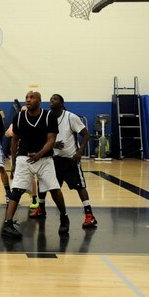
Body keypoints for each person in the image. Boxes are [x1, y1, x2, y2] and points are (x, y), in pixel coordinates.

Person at [1, 91, 69, 239]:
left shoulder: (48, 116)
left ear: (39, 101)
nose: (28, 100)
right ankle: (7, 224)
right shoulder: (19, 117)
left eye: (32, 98)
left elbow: (51, 139)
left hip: (44, 159)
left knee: (54, 189)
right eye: (26, 97)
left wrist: (39, 153)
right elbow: (14, 141)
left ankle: (64, 217)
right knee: (17, 190)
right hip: (24, 158)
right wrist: (13, 164)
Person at [34, 94, 98, 228]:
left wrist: (80, 152)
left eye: (55, 99)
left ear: (62, 103)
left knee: (80, 187)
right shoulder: (47, 117)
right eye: (50, 99)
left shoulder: (70, 117)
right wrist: (52, 144)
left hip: (70, 159)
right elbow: (43, 137)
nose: (52, 101)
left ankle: (89, 215)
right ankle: (41, 208)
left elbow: (86, 134)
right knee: (43, 183)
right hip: (53, 159)